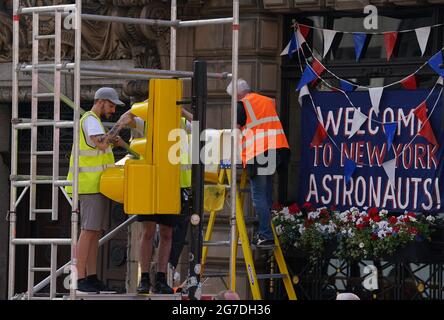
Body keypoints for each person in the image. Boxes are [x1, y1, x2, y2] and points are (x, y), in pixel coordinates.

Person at [120, 105, 192, 294]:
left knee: (167, 233)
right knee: (148, 231)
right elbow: (126, 118)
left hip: (174, 186)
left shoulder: (183, 123)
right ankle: (144, 278)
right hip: (151, 184)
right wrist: (143, 106)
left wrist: (182, 111)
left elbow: (202, 126)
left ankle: (161, 278)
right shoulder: (150, 123)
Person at [66, 87, 129, 293]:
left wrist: (114, 139)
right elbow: (100, 144)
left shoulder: (94, 121)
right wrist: (119, 126)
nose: (112, 110)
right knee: (88, 231)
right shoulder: (91, 120)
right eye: (111, 105)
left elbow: (102, 145)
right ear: (100, 101)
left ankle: (90, 276)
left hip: (97, 185)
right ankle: (79, 277)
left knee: (94, 232)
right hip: (89, 184)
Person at [226, 79, 290, 247]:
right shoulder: (267, 100)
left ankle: (265, 234)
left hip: (259, 153)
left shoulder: (243, 104)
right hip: (276, 150)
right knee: (266, 194)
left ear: (238, 95)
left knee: (259, 196)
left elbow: (235, 132)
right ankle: (267, 230)